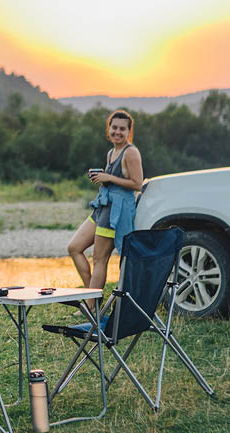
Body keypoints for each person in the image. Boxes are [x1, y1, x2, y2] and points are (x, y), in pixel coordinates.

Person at [67, 110, 144, 305]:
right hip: (102, 206)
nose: (117, 132)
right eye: (114, 127)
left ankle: (91, 305)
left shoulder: (131, 152)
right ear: (108, 128)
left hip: (115, 212)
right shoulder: (111, 152)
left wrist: (108, 177)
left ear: (129, 131)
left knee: (99, 260)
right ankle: (91, 295)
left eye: (122, 129)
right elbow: (115, 180)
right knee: (74, 247)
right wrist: (101, 176)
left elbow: (137, 184)